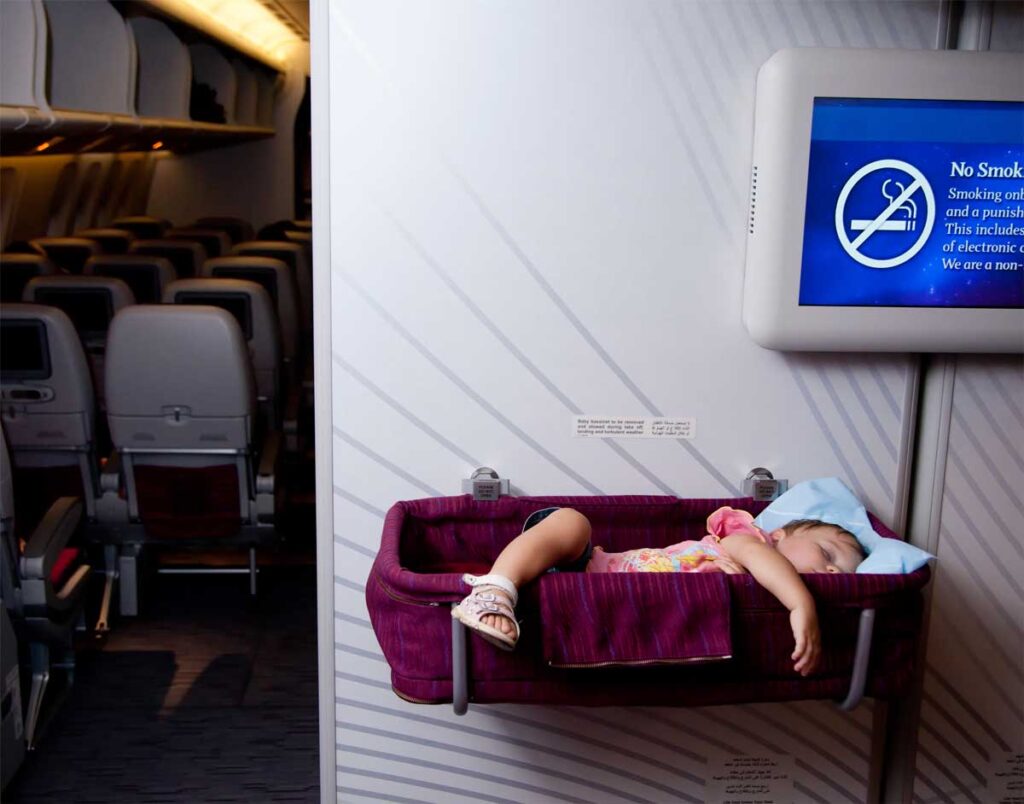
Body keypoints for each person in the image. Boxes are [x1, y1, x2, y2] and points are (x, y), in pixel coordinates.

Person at [451, 506, 864, 676]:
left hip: (597, 602)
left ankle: (506, 589)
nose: (830, 568)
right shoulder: (745, 539)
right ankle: (495, 589)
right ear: (777, 533)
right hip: (588, 568)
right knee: (571, 521)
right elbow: (762, 561)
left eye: (841, 570)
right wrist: (800, 602)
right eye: (827, 551)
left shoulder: (757, 576)